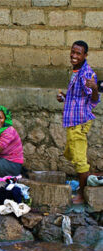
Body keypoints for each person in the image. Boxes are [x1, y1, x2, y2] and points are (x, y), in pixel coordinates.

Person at [56, 40, 100, 204]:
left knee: (79, 160)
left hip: (79, 122)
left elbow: (94, 100)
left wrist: (95, 88)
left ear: (85, 55)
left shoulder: (86, 74)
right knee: (70, 153)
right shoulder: (76, 71)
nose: (74, 56)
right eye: (73, 52)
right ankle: (88, 178)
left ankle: (81, 195)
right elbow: (77, 98)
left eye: (78, 53)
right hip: (72, 120)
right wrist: (64, 98)